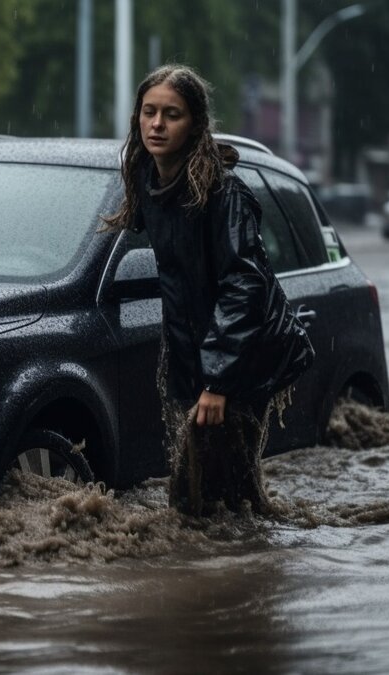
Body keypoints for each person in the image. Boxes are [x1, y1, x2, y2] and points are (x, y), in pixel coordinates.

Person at [101, 65, 313, 517]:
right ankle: (232, 563)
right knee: (206, 492)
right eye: (149, 112)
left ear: (195, 123)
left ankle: (240, 577)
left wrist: (217, 380)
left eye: (171, 114)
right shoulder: (147, 179)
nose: (157, 124)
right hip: (195, 351)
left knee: (209, 496)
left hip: (242, 357)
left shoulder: (224, 194)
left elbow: (244, 284)